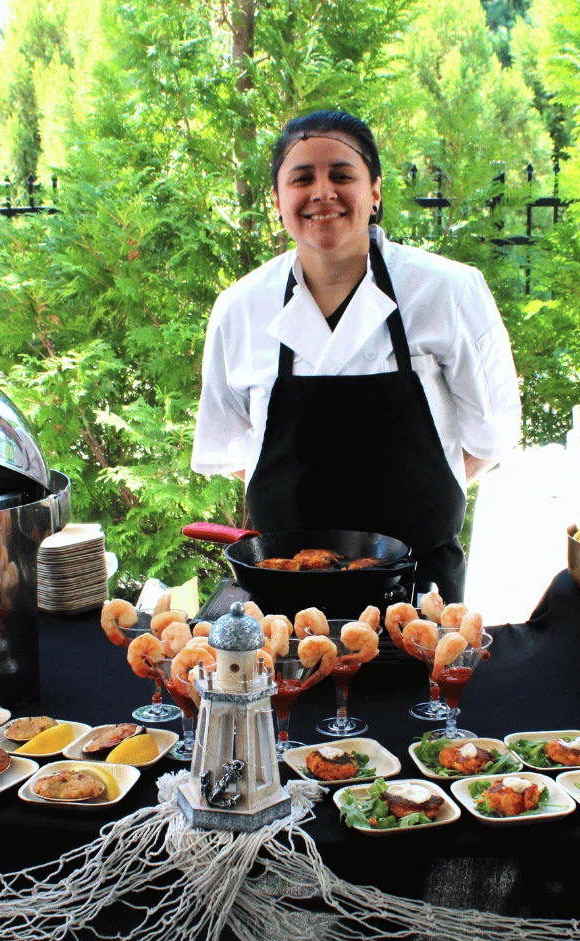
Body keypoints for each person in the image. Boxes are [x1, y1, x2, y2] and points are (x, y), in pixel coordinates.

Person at [191, 110, 520, 602]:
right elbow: (238, 451)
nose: (323, 192)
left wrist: (417, 506)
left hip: (418, 592)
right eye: (302, 178)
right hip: (285, 597)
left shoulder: (447, 290)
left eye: (342, 175)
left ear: (375, 192)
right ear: (278, 201)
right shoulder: (240, 308)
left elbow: (488, 437)